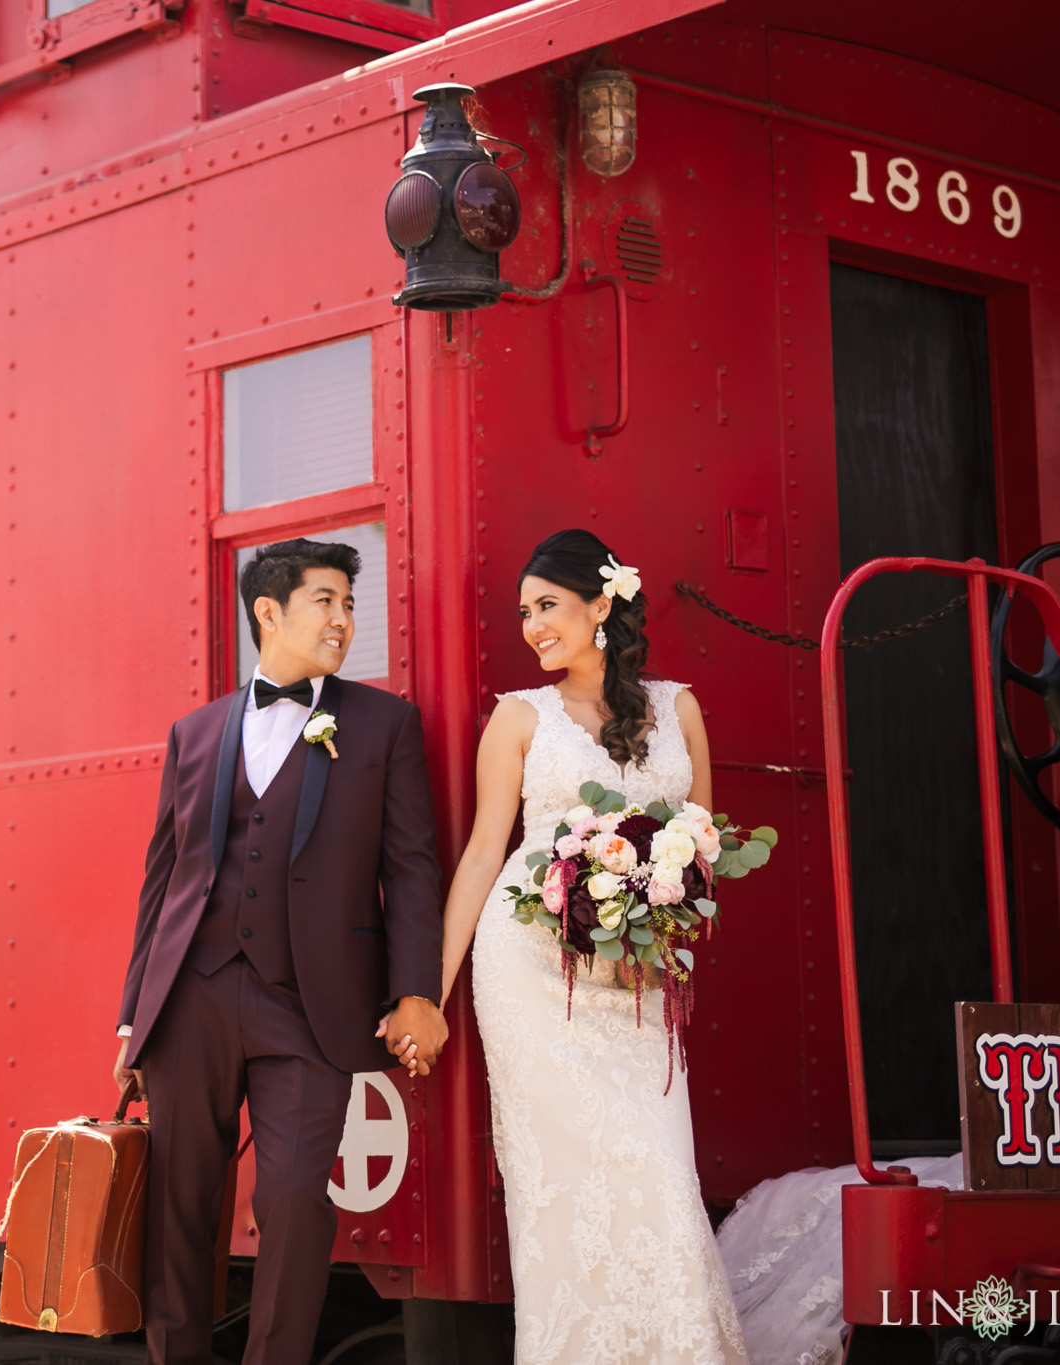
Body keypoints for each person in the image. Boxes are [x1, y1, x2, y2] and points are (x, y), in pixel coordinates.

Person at [113, 537, 448, 1365]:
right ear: (270, 611)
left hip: (311, 1002)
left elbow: (410, 869)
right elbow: (163, 884)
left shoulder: (385, 724)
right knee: (178, 1209)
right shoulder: (193, 734)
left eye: (348, 603)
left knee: (297, 1200)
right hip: (190, 996)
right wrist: (133, 1022)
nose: (344, 620)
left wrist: (417, 989)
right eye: (326, 601)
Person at [438, 528, 749, 1364]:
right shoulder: (518, 717)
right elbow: (480, 854)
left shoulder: (678, 707)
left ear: (601, 604)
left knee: (657, 1172)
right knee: (564, 1190)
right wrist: (428, 992)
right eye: (524, 613)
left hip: (639, 975)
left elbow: (704, 841)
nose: (533, 626)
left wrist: (664, 916)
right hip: (534, 974)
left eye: (548, 606)